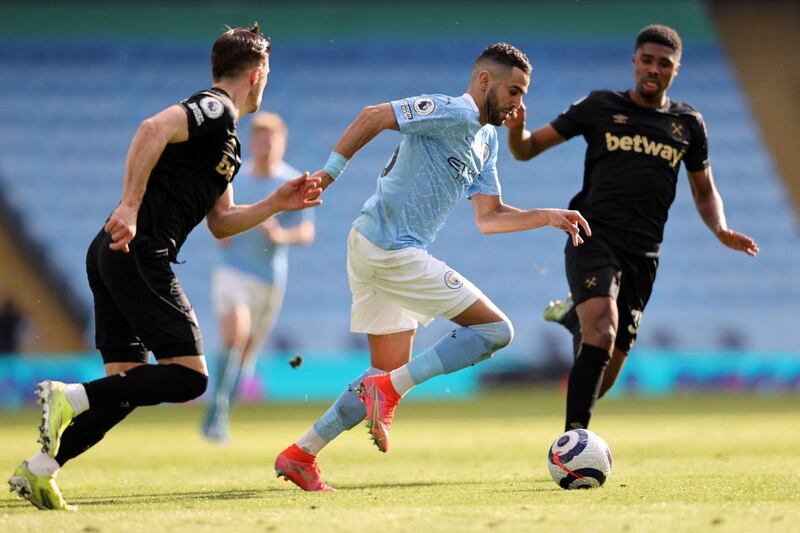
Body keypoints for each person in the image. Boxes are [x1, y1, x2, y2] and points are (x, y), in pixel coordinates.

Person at [8, 24, 322, 511]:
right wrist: (130, 207)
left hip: (115, 253)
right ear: (258, 73)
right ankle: (69, 395)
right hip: (138, 248)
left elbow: (222, 222)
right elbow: (152, 128)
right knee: (190, 378)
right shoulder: (215, 108)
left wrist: (276, 203)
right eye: (268, 75)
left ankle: (41, 469)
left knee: (125, 387)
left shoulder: (228, 143)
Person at [274, 43, 591, 491]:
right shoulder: (450, 111)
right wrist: (328, 174)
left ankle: (301, 453)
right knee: (496, 332)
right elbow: (371, 116)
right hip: (389, 248)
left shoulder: (485, 140)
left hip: (375, 246)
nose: (519, 103)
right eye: (514, 91)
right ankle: (388, 392)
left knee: (381, 373)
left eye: (523, 94)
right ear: (485, 81)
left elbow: (489, 216)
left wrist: (547, 216)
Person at [504, 24, 759, 431]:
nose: (653, 69)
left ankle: (573, 318)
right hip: (592, 235)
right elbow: (527, 149)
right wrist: (517, 132)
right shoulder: (600, 106)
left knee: (599, 381)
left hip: (644, 255)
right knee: (602, 332)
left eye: (664, 63)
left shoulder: (688, 124)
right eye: (647, 61)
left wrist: (720, 229)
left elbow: (705, 190)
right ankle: (574, 442)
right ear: (634, 62)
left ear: (675, 70)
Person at [202, 112, 315, 443]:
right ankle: (216, 410)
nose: (266, 146)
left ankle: (223, 412)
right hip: (232, 270)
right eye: (260, 139)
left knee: (247, 356)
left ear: (282, 143)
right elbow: (215, 215)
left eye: (272, 140)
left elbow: (306, 231)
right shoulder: (235, 178)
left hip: (269, 278)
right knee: (235, 336)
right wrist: (219, 232)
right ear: (252, 143)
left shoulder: (292, 181)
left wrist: (282, 236)